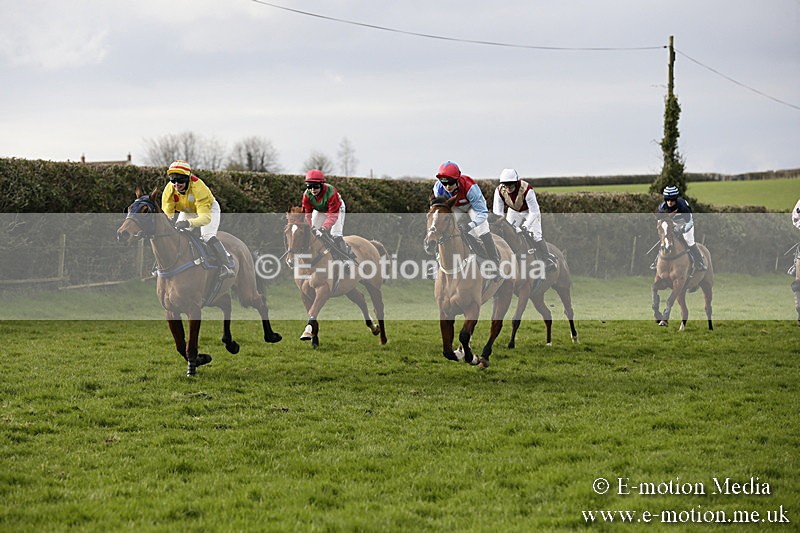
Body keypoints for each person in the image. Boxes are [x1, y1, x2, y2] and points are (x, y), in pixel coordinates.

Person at [161, 160, 235, 279]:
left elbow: (205, 219)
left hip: (208, 210)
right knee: (177, 234)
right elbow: (167, 214)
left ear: (188, 178)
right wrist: (170, 224)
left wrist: (187, 223)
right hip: (188, 210)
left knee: (207, 236)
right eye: (173, 180)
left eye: (180, 180)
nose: (176, 184)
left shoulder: (199, 189)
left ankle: (227, 264)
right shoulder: (169, 190)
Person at [432, 161, 499, 269]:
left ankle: (495, 263)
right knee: (443, 227)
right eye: (444, 183)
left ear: (457, 179)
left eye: (451, 183)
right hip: (456, 207)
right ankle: (437, 261)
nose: (447, 187)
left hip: (472, 207)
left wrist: (470, 225)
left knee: (482, 229)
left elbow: (483, 213)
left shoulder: (470, 188)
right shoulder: (438, 189)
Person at [492, 168, 557, 271]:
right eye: (505, 185)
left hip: (529, 212)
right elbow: (498, 213)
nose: (508, 187)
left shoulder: (527, 189)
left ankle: (547, 259)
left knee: (536, 235)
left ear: (516, 182)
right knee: (508, 232)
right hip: (513, 211)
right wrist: (501, 224)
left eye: (511, 184)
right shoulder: (499, 191)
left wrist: (525, 226)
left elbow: (534, 211)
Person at [300, 169, 354, 261]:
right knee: (312, 233)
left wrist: (323, 228)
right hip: (320, 210)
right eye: (309, 186)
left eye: (316, 186)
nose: (313, 189)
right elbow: (307, 215)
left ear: (322, 184)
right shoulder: (307, 195)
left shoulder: (331, 192)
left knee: (336, 234)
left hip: (336, 209)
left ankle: (346, 260)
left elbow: (333, 215)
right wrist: (311, 227)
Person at [658, 185, 706, 271]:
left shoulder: (683, 206)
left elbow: (689, 221)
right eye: (667, 200)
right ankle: (656, 262)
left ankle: (699, 262)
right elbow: (660, 221)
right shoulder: (662, 208)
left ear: (676, 199)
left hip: (686, 224)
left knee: (689, 241)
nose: (670, 202)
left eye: (672, 200)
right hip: (672, 225)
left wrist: (682, 229)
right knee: (665, 241)